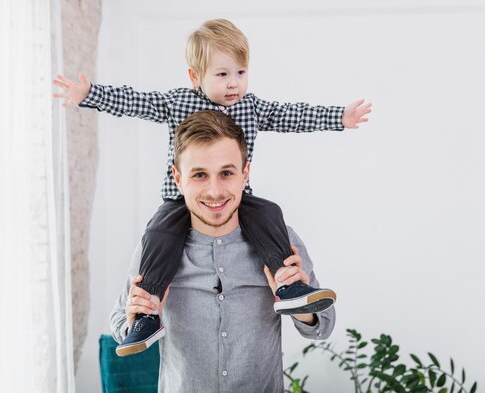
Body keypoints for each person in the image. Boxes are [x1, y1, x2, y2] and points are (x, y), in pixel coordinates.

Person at [54, 19, 369, 356]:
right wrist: (90, 95)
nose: (233, 84)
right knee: (159, 233)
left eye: (240, 73)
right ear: (195, 77)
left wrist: (338, 117)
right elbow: (137, 102)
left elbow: (292, 115)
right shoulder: (179, 103)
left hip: (243, 201)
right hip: (179, 203)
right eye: (222, 75)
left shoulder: (251, 107)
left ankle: (289, 288)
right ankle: (147, 314)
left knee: (269, 211)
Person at [109, 110, 336, 393]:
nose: (214, 191)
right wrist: (132, 317)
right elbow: (120, 322)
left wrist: (302, 308)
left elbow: (323, 325)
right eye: (200, 175)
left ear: (245, 174)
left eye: (226, 173)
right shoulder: (154, 247)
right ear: (178, 179)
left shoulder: (281, 240)